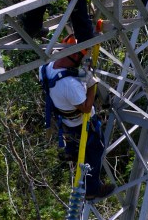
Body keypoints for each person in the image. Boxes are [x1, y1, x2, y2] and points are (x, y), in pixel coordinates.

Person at [39, 44, 115, 200]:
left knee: (73, 137)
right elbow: (86, 108)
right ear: (73, 57)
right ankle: (92, 190)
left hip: (64, 118)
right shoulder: (69, 85)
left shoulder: (46, 67)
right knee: (95, 151)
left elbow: (70, 75)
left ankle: (71, 150)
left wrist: (83, 73)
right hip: (80, 122)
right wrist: (91, 85)